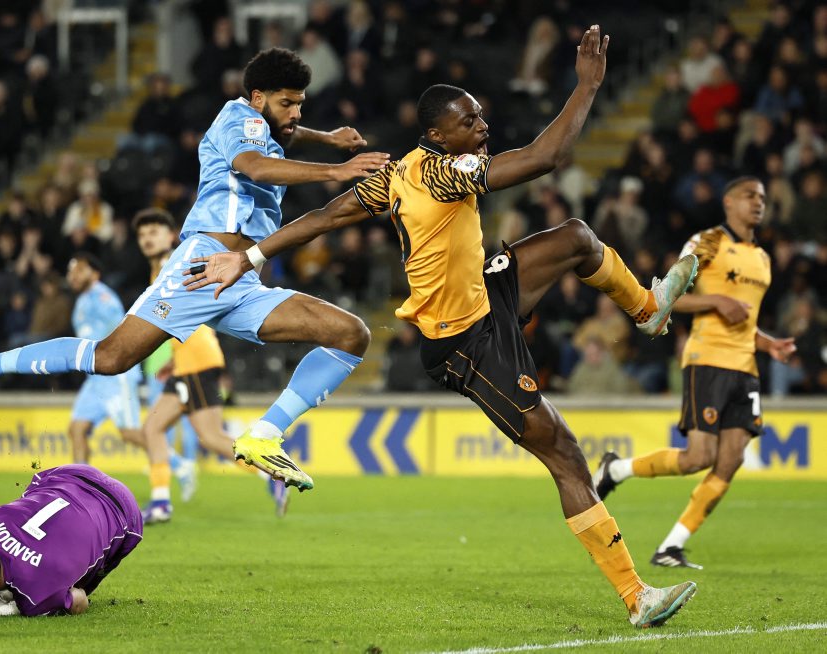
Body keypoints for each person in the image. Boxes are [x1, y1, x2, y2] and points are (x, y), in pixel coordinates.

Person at [187, 26, 699, 628]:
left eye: (480, 116)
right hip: (464, 343)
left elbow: (325, 216)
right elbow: (546, 158)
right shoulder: (441, 174)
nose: (483, 126)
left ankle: (647, 309)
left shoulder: (401, 173)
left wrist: (250, 257)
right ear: (437, 135)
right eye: (469, 120)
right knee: (564, 453)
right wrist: (587, 86)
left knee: (576, 238)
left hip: (486, 296)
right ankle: (638, 596)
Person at [0, 48, 391, 493]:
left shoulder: (263, 126)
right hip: (202, 266)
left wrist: (325, 138)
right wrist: (337, 169)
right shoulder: (238, 119)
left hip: (242, 276)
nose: (296, 114)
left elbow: (282, 135)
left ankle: (264, 435)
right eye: (288, 103)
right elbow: (257, 167)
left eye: (301, 104)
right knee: (110, 358)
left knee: (349, 333)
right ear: (257, 98)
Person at [592, 176, 797, 569]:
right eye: (749, 196)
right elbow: (665, 299)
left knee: (730, 460)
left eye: (762, 198)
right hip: (708, 360)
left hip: (746, 368)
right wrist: (715, 300)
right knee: (697, 458)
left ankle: (671, 546)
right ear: (729, 202)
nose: (758, 203)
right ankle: (616, 469)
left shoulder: (763, 258)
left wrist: (767, 343)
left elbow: (744, 317)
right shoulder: (708, 242)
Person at [132, 208, 290, 523]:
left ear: (170, 235)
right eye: (142, 234)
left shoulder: (171, 265)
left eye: (154, 232)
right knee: (154, 428)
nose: (147, 239)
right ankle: (161, 502)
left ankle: (272, 473)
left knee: (211, 437)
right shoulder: (161, 268)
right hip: (188, 361)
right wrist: (174, 359)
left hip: (197, 361)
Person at [0, 464, 142, 617]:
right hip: (69, 474)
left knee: (81, 584)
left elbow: (80, 600)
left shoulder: (37, 598)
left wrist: (59, 598)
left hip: (121, 509)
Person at [64, 252, 145, 462]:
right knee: (77, 429)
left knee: (130, 433)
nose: (73, 275)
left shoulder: (103, 297)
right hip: (95, 378)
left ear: (95, 274)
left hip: (115, 376)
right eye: (71, 271)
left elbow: (122, 331)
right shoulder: (82, 300)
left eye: (80, 270)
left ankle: (177, 464)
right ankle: (81, 480)